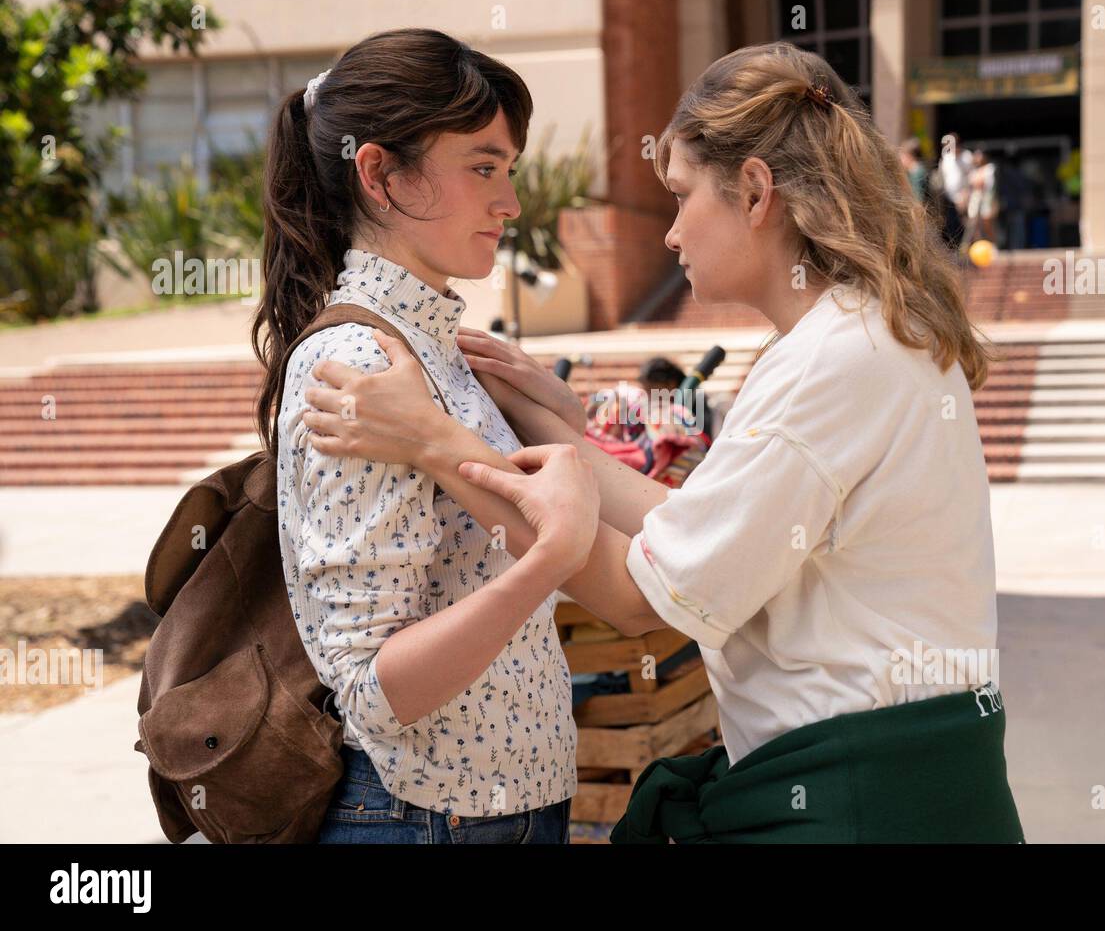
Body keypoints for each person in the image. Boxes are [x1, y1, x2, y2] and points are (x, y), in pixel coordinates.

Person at [303, 42, 1024, 843]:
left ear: (754, 192)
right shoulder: (873, 333)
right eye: (484, 169)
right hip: (898, 784)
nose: (673, 232)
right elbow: (691, 533)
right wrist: (557, 428)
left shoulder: (831, 363)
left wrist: (436, 444)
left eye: (681, 196)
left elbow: (643, 596)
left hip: (862, 800)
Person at [253, 28, 612, 844]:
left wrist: (562, 423)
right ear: (379, 173)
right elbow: (374, 689)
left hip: (496, 809)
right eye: (483, 167)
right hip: (426, 818)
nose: (511, 202)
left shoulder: (438, 351)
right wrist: (547, 562)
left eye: (509, 170)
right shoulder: (358, 369)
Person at [964, 148, 999, 248]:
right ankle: (978, 247)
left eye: (980, 155)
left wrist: (977, 181)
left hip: (987, 199)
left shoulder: (990, 168)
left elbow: (983, 183)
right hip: (975, 199)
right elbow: (971, 184)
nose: (978, 158)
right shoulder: (973, 170)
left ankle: (993, 246)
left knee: (987, 224)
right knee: (974, 225)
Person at [898, 136, 928, 204]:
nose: (901, 159)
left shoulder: (918, 173)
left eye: (902, 156)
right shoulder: (912, 172)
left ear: (909, 156)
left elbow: (918, 199)